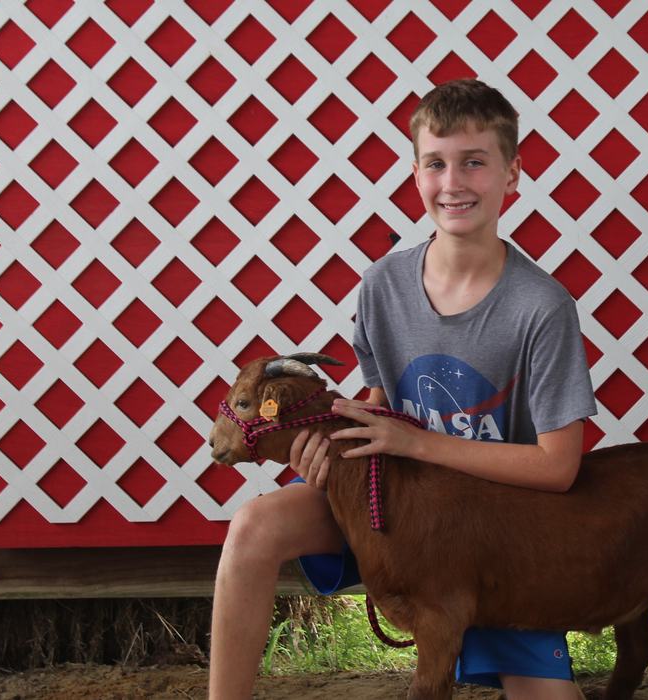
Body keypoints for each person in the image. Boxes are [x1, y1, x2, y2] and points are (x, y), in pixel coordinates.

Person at [209, 78, 596, 699]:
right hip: (391, 507)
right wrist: (327, 447)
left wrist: (416, 446)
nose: (454, 183)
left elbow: (559, 467)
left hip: (489, 537)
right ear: (416, 174)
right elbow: (382, 404)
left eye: (475, 162)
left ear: (512, 174)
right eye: (436, 164)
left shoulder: (541, 307)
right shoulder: (383, 284)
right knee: (255, 525)